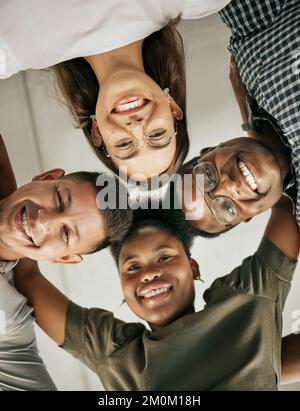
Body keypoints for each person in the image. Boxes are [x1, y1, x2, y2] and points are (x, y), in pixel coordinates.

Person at [13, 197, 299, 390]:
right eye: (132, 266)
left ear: (193, 266)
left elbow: (282, 200)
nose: (148, 273)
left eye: (164, 257)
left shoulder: (246, 300)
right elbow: (27, 276)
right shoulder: (115, 354)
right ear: (122, 287)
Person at [0, 0, 231, 180]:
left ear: (97, 132)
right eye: (157, 135)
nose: (137, 126)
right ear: (173, 108)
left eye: (123, 145)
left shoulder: (7, 53)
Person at [0, 133, 132, 390]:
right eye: (59, 200)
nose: (42, 221)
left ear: (62, 258)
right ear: (47, 177)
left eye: (66, 234)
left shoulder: (9, 322)